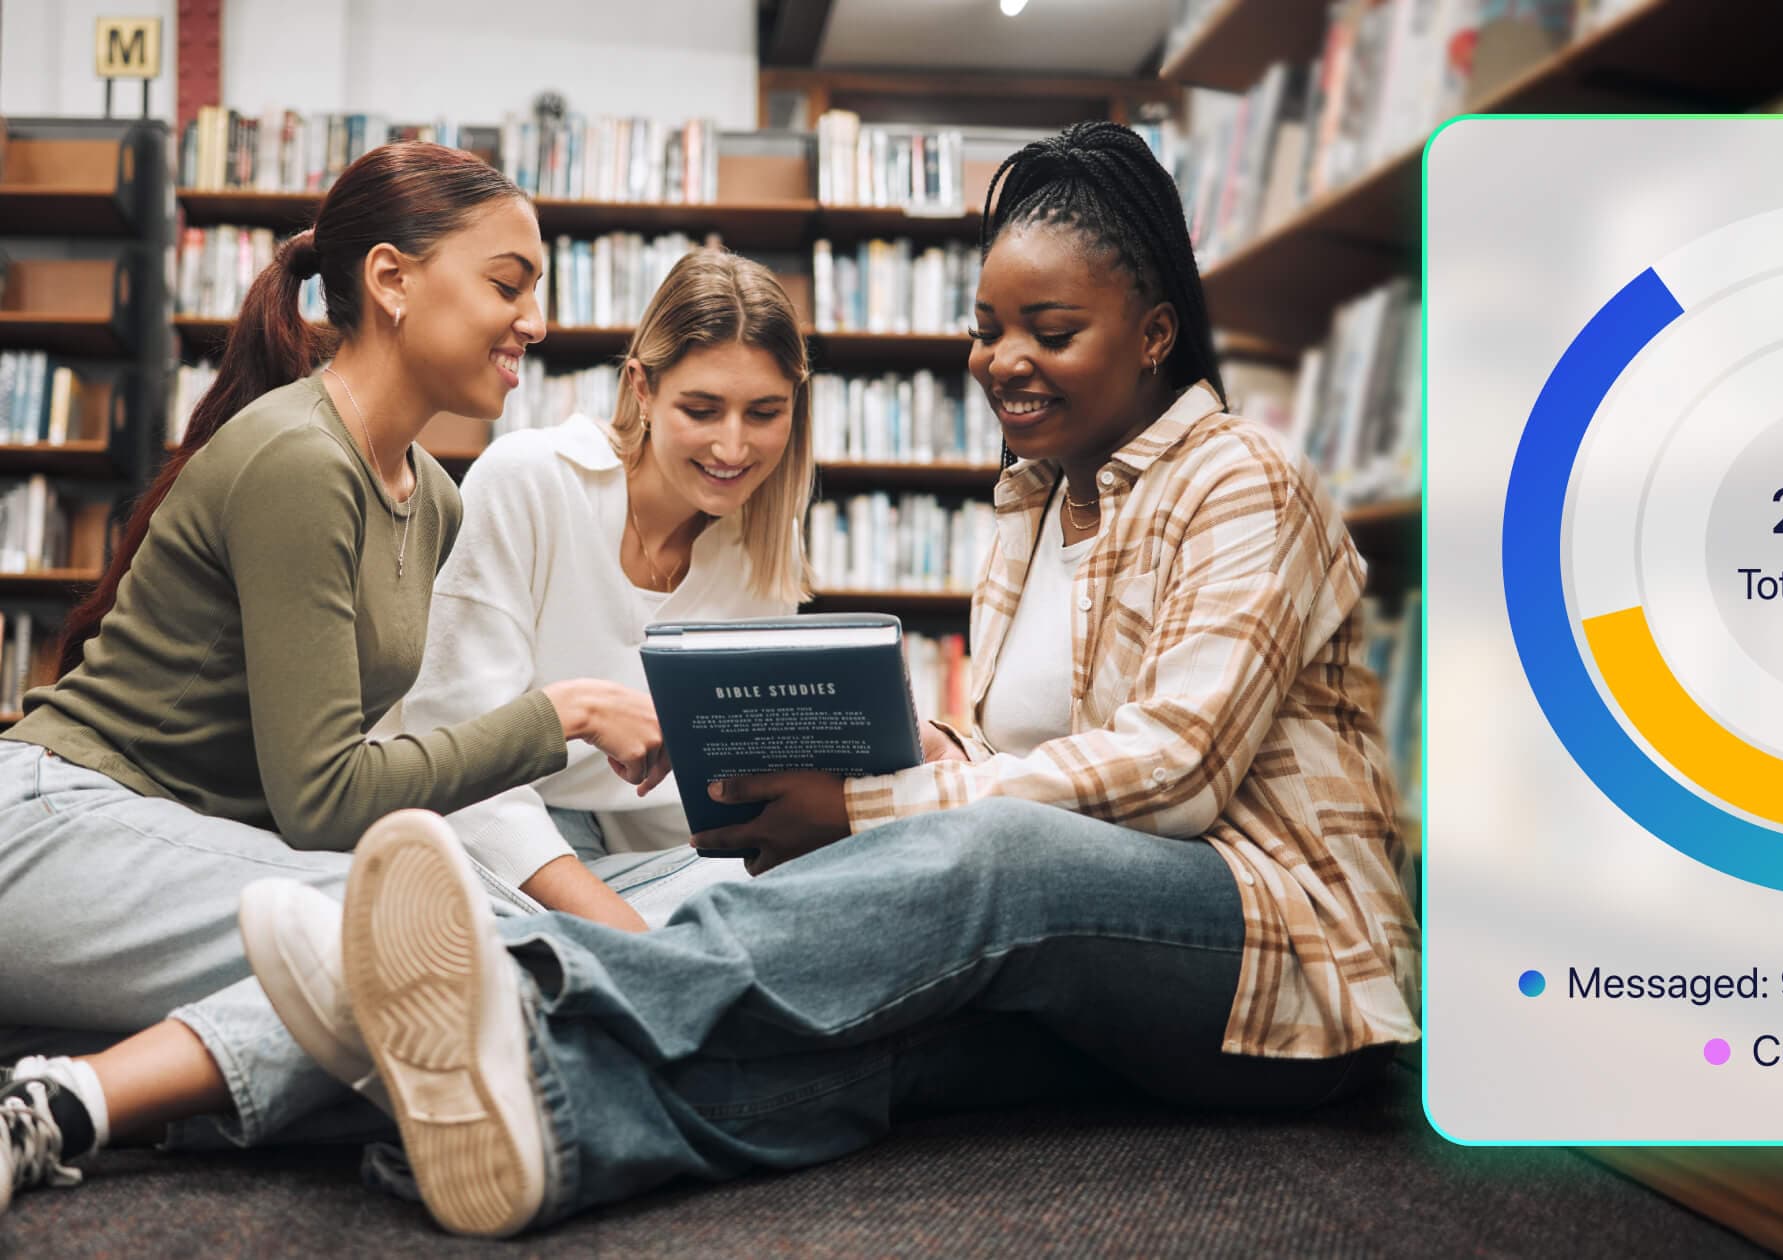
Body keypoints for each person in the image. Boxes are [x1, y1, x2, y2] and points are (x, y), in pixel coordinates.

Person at [241, 119, 1421, 1238]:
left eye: (1051, 330)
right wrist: (925, 751)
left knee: (988, 856)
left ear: (1155, 334)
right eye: (987, 327)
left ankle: (525, 995)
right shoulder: (1032, 504)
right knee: (867, 1035)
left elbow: (1172, 773)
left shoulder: (1240, 480)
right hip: (1110, 965)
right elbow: (1037, 761)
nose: (1004, 361)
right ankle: (532, 1128)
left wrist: (868, 806)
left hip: (1285, 958)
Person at [0, 142, 664, 1209]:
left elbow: (354, 776)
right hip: (53, 825)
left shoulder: (432, 498)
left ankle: (101, 1084)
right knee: (429, 938)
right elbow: (323, 797)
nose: (534, 321)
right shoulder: (301, 461)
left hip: (184, 853)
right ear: (392, 280)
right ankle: (62, 1103)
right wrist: (566, 713)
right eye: (509, 284)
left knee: (481, 963)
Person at [384, 247, 814, 934]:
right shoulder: (530, 480)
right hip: (490, 836)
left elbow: (708, 798)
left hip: (650, 859)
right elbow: (458, 757)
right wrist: (633, 937)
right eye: (701, 410)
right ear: (642, 388)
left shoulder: (767, 547)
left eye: (764, 413)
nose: (733, 448)